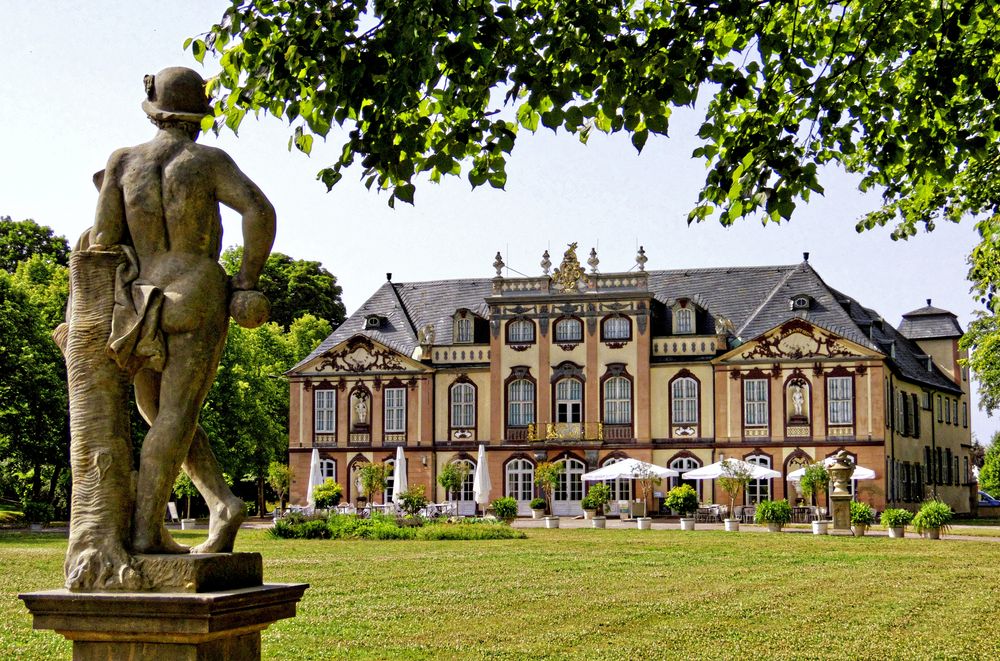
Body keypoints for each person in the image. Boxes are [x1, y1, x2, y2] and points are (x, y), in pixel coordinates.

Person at [90, 67, 276, 554]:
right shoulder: (207, 161)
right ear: (198, 115)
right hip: (195, 289)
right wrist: (247, 280)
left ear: (153, 108)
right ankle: (167, 525)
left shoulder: (122, 162)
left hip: (138, 296)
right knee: (169, 414)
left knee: (158, 412)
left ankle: (213, 507)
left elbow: (104, 240)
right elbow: (259, 210)